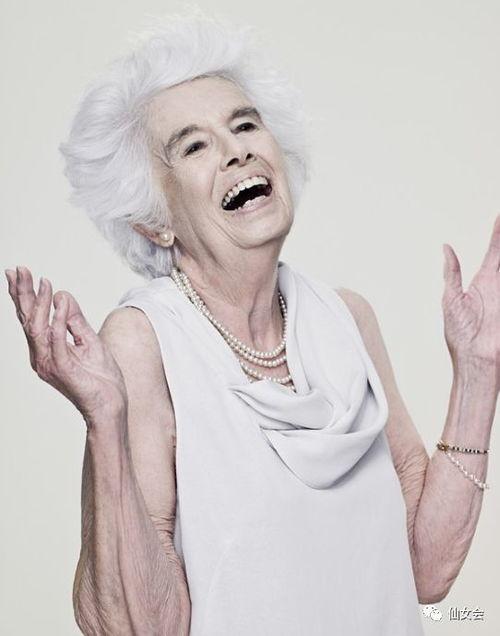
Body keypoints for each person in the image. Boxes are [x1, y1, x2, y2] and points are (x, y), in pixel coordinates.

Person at [5, 13, 499, 636]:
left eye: (244, 125)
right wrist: (106, 419)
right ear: (154, 220)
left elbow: (425, 572)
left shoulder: (348, 319)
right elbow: (143, 627)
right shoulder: (144, 342)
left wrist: (478, 372)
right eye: (194, 146)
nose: (237, 149)